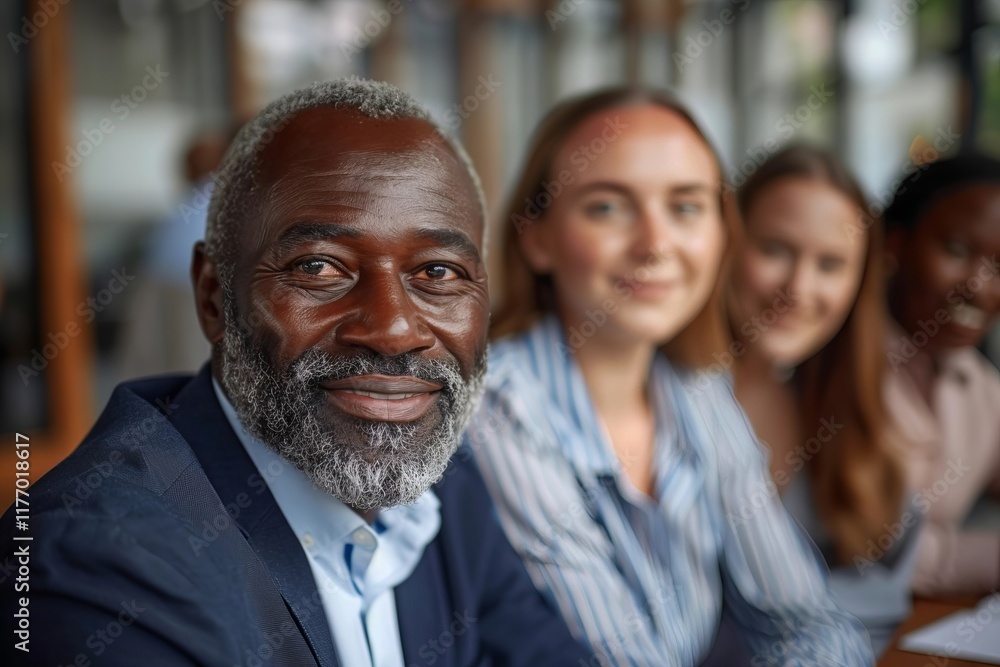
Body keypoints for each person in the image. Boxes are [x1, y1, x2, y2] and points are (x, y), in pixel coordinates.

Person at [0, 79, 593, 666]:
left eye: (438, 273)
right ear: (213, 298)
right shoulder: (94, 566)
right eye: (319, 267)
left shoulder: (442, 483)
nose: (393, 330)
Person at [463, 88, 873, 666]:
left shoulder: (697, 387)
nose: (656, 245)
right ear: (537, 236)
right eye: (607, 207)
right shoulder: (502, 406)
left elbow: (806, 620)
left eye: (685, 207)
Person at [725, 145, 911, 655]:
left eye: (830, 264)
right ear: (724, 244)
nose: (799, 287)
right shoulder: (661, 400)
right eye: (775, 249)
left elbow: (885, 585)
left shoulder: (843, 409)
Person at [882, 153, 1000, 597]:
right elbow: (865, 547)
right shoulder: (833, 372)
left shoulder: (980, 387)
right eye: (956, 249)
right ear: (896, 244)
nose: (978, 285)